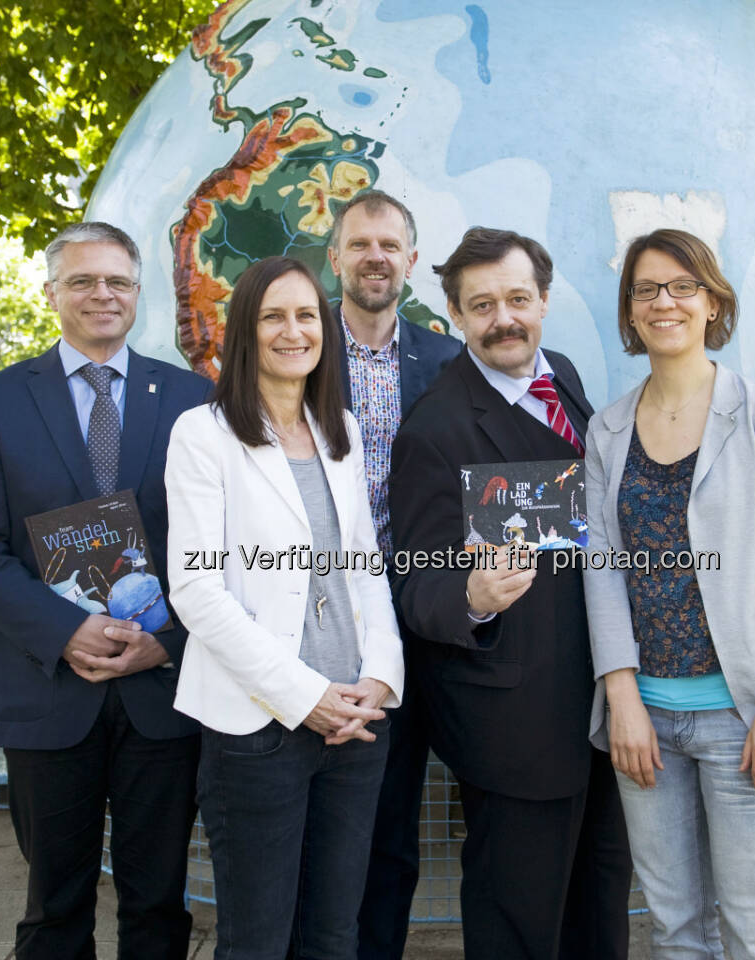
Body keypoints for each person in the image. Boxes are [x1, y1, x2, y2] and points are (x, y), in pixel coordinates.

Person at [0, 221, 211, 960]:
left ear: (137, 294)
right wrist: (64, 630)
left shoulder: (194, 397)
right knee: (54, 907)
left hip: (161, 692)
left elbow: (221, 545)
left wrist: (169, 637)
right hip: (47, 690)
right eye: (84, 281)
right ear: (52, 292)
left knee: (158, 903)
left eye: (118, 281)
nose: (103, 295)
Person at [389, 227, 632, 960]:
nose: (505, 319)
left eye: (518, 299)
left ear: (544, 301)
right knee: (518, 921)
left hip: (600, 699)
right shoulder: (434, 429)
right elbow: (415, 582)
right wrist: (472, 596)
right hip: (514, 721)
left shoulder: (560, 378)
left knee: (600, 899)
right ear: (456, 318)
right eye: (483, 304)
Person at [582, 228, 755, 959]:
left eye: (683, 286)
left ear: (712, 301)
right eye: (647, 289)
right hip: (647, 720)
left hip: (747, 716)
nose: (665, 302)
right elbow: (601, 568)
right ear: (629, 311)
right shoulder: (608, 428)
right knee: (675, 931)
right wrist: (621, 699)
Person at [165, 255, 405, 960]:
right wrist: (306, 696)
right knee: (257, 942)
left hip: (355, 726)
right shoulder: (202, 435)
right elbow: (198, 590)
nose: (293, 331)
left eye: (306, 315)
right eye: (274, 315)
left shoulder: (343, 434)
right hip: (259, 730)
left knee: (334, 937)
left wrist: (381, 682)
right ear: (246, 330)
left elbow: (365, 568)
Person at [322, 189, 460, 960]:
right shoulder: (298, 348)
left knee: (393, 825)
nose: (375, 257)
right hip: (315, 612)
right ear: (335, 257)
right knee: (317, 826)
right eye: (359, 243)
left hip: (414, 616)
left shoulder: (444, 360)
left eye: (390, 245)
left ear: (410, 260)